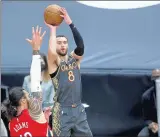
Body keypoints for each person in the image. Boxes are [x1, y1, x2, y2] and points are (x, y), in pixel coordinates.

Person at [45, 7, 93, 137]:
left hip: (78, 109)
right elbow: (50, 53)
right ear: (55, 45)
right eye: (59, 43)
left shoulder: (74, 60)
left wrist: (70, 23)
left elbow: (81, 45)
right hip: (62, 112)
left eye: (65, 43)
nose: (62, 45)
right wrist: (53, 30)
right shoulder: (54, 63)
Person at [1, 26, 49, 137]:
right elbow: (36, 81)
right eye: (27, 94)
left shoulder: (11, 123)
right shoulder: (35, 114)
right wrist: (36, 51)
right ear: (23, 100)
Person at [22, 52, 55, 125]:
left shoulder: (51, 80)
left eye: (41, 59)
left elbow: (52, 98)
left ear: (45, 62)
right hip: (30, 113)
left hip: (46, 113)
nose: (39, 62)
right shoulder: (27, 79)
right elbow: (24, 96)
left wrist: (46, 112)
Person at [138, 69, 160, 136]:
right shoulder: (147, 96)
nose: (157, 80)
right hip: (157, 125)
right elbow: (146, 118)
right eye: (154, 78)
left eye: (159, 77)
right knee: (142, 135)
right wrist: (151, 124)